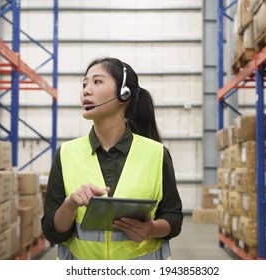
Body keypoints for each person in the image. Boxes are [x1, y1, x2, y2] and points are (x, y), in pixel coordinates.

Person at [41, 57, 183, 260]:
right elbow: (51, 231)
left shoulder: (157, 154)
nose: (86, 91)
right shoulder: (65, 154)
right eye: (84, 84)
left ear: (124, 94)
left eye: (97, 82)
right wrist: (70, 204)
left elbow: (173, 217)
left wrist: (151, 229)